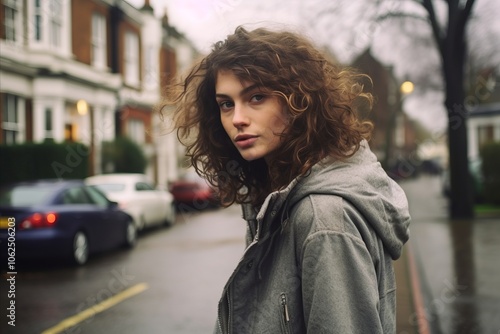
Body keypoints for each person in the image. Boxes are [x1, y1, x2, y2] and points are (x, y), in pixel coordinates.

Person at [160, 26, 411, 334]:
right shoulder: (276, 196)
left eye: (256, 97)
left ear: (298, 102)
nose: (237, 118)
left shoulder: (323, 218)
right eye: (226, 103)